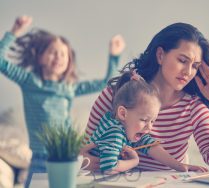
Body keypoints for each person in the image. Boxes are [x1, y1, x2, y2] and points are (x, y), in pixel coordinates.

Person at [82, 22, 209, 171]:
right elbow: (84, 151)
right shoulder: (115, 95)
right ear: (160, 55)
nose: (188, 72)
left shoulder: (193, 108)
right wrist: (84, 161)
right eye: (182, 60)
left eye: (195, 66)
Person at [0, 15, 125, 185]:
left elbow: (105, 83)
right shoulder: (29, 81)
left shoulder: (69, 87)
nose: (58, 56)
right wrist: (14, 32)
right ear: (40, 57)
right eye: (53, 52)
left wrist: (114, 56)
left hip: (67, 157)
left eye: (63, 54)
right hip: (39, 159)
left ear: (69, 62)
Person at [81, 70, 208, 174]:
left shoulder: (124, 126)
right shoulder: (115, 133)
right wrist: (134, 161)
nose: (149, 127)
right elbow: (109, 168)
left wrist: (180, 166)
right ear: (123, 113)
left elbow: (150, 145)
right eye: (144, 120)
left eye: (152, 121)